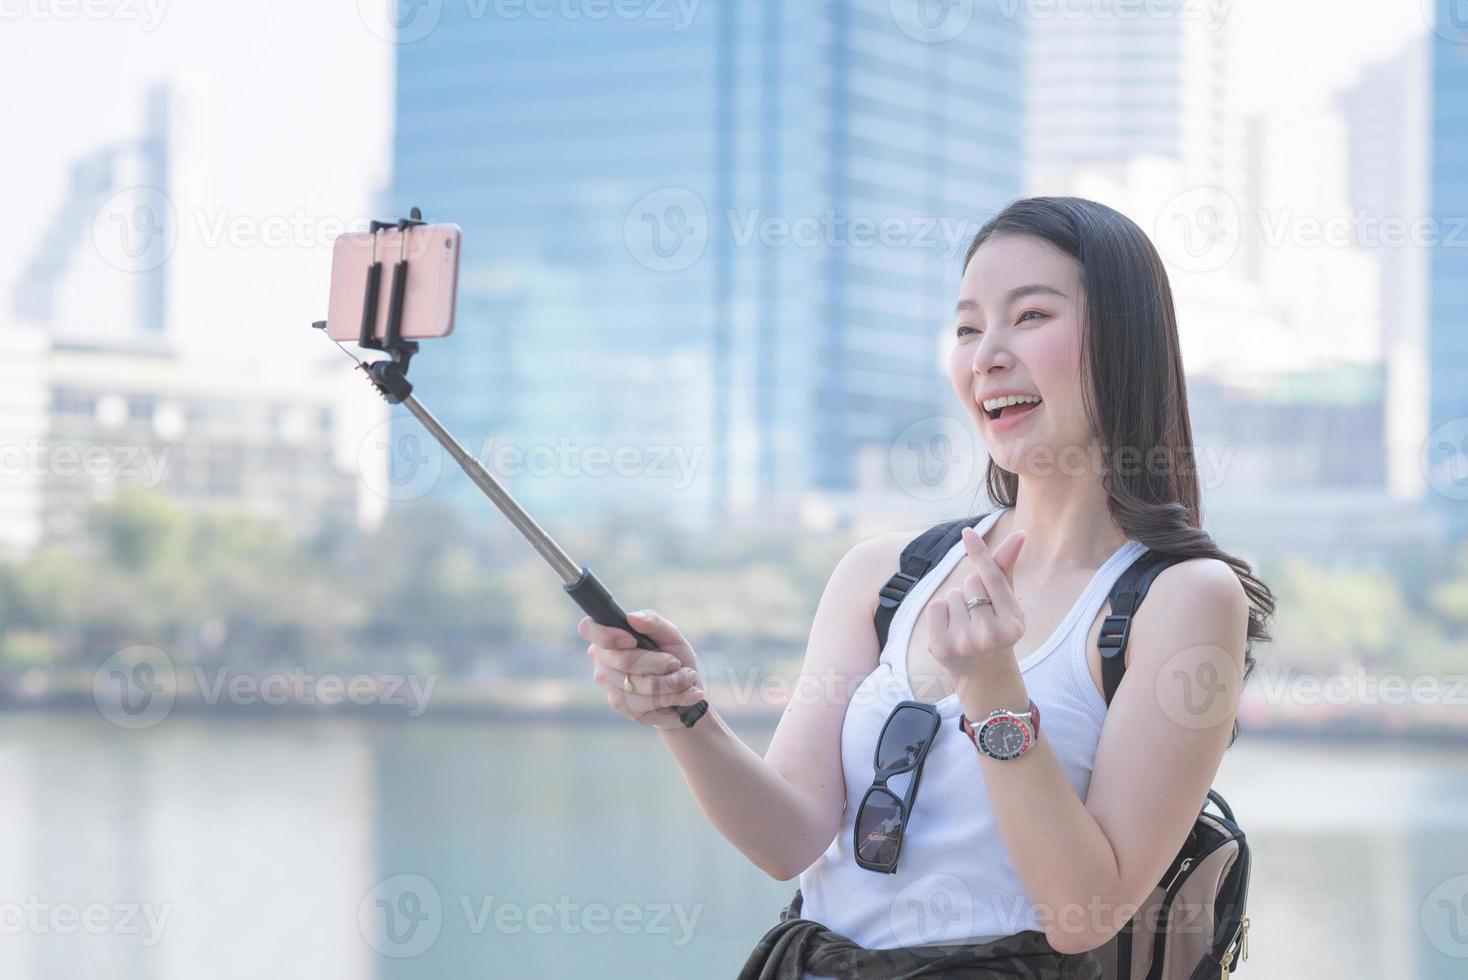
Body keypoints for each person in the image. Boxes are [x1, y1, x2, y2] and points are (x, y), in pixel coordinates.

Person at [577, 196, 1275, 979]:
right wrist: (685, 714)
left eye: (1031, 316)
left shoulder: (1184, 599)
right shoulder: (884, 574)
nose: (986, 356)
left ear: (1124, 341)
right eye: (969, 327)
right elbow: (789, 840)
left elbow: (1085, 912)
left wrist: (993, 690)